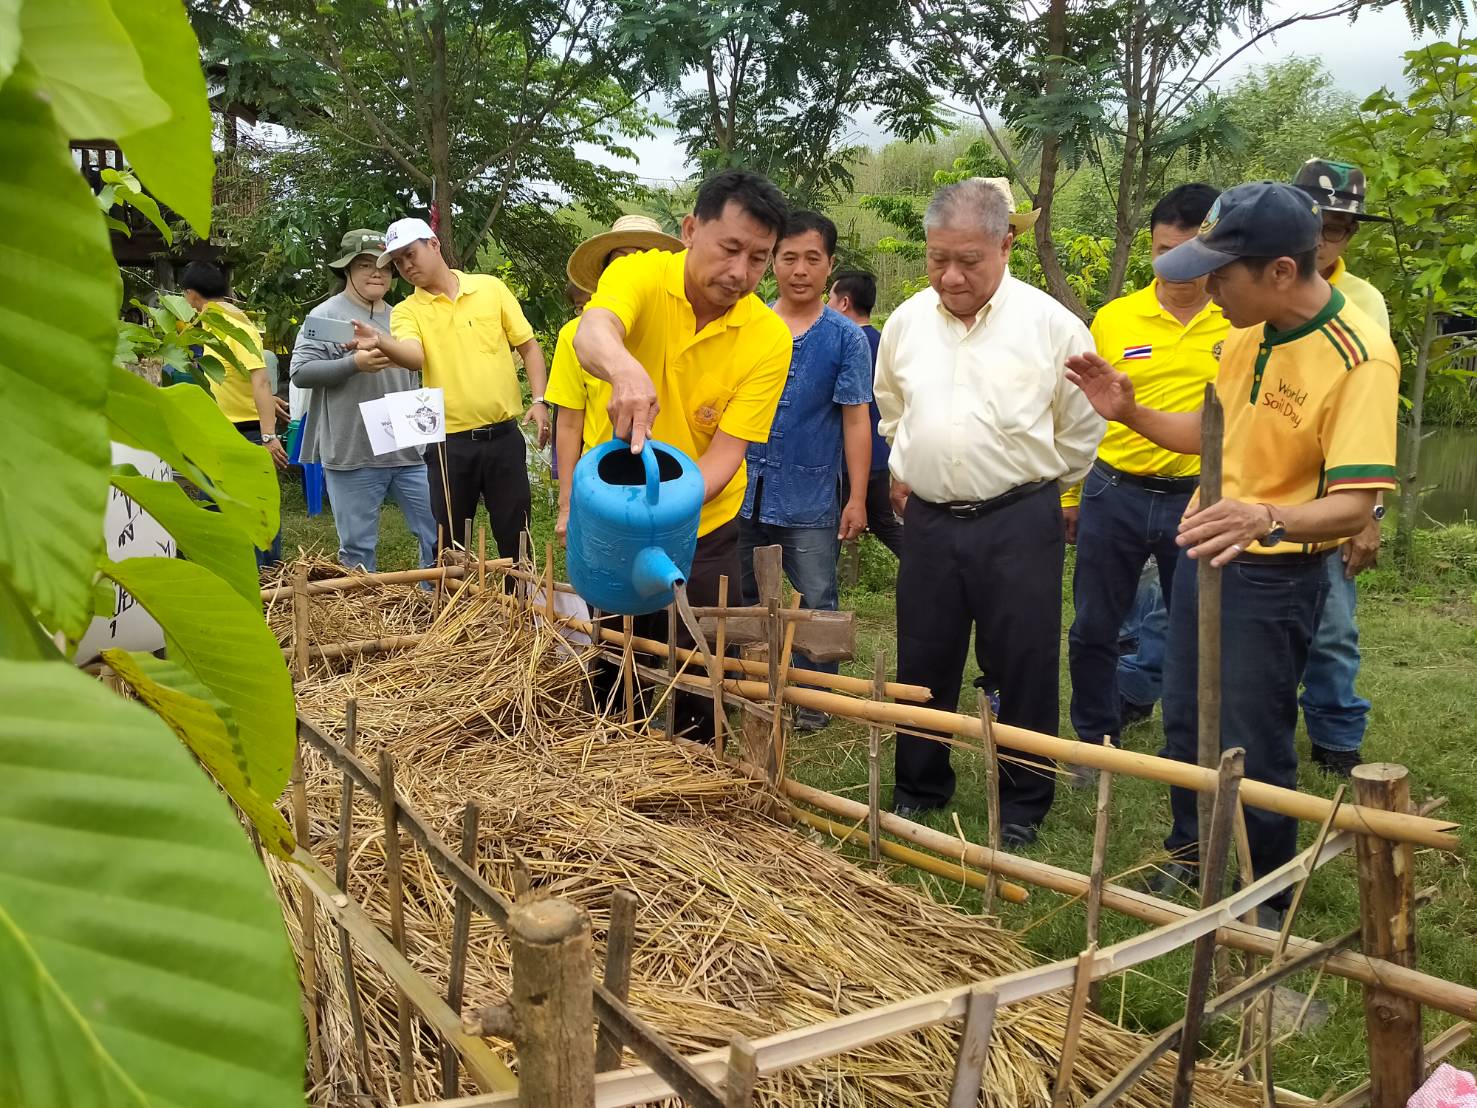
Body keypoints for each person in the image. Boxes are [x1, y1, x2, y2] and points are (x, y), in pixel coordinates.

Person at [1066, 182, 1399, 924]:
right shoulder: (1244, 334)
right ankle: (1193, 858)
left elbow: (1353, 503)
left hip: (1275, 569)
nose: (1206, 287)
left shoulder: (1358, 358)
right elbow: (1214, 434)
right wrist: (1130, 412)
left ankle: (1262, 892)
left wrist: (1266, 517)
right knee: (1186, 716)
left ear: (1279, 271)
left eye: (1222, 273)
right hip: (1207, 548)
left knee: (1251, 736)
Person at [874, 177, 1104, 843]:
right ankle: (918, 786)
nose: (949, 276)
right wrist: (917, 463)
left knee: (1024, 660)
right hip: (929, 522)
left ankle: (1025, 802)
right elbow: (891, 407)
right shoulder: (906, 322)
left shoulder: (1053, 327)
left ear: (1006, 245)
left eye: (967, 261)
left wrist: (1031, 487)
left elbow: (1082, 427)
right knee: (923, 656)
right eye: (936, 258)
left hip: (1018, 519)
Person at [574, 170, 792, 739]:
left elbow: (728, 453)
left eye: (759, 258)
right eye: (730, 248)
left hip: (706, 520)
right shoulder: (639, 273)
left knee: (704, 658)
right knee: (618, 650)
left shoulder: (769, 337)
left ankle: (700, 769)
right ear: (691, 229)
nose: (741, 273)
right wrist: (623, 368)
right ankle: (611, 754)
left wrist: (667, 513)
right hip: (617, 507)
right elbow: (592, 330)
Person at [1063, 184, 1227, 776]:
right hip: (1116, 488)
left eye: (1189, 252)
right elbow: (1084, 411)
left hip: (1196, 496)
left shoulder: (1236, 322)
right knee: (1094, 626)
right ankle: (1093, 742)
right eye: (1163, 251)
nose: (1176, 267)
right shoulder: (1115, 318)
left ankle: (1184, 751)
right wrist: (1073, 492)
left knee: (1195, 628)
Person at [738, 212, 873, 730]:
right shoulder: (747, 323)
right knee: (744, 594)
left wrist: (856, 497)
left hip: (811, 490)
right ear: (772, 260)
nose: (799, 269)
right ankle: (749, 684)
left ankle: (816, 702)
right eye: (788, 257)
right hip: (741, 486)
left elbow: (856, 420)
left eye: (811, 259)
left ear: (829, 266)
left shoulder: (845, 339)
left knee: (816, 596)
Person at [350, 217, 550, 559]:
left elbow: (528, 345)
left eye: (410, 254)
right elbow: (414, 356)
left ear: (434, 244)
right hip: (448, 446)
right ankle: (453, 610)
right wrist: (381, 341)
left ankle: (517, 609)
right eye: (398, 262)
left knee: (515, 536)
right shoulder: (407, 311)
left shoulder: (490, 288)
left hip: (504, 437)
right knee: (450, 543)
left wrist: (541, 399)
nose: (406, 266)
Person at [1290, 157, 1394, 775]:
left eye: (1344, 227)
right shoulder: (1255, 290)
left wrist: (1368, 512)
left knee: (1332, 627)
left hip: (1335, 492)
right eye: (1322, 221)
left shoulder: (1364, 302)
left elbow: (1372, 419)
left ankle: (1335, 736)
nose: (1330, 236)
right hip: (1266, 492)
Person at [291, 229, 439, 572]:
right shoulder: (325, 316)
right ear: (346, 270)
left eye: (385, 266)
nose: (377, 272)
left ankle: (434, 603)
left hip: (409, 447)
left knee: (437, 534)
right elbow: (300, 372)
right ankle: (363, 619)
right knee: (357, 547)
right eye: (364, 264)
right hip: (351, 449)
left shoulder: (406, 314)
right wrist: (352, 364)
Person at [547, 215, 684, 542]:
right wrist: (566, 505)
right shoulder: (573, 335)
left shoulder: (684, 330)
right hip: (604, 480)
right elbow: (568, 424)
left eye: (644, 258)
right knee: (607, 584)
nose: (632, 269)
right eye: (621, 260)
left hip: (673, 480)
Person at [180, 260, 288, 568]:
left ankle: (268, 583)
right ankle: (230, 575)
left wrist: (269, 436)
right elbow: (234, 377)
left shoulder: (233, 324)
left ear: (190, 295)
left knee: (257, 512)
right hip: (220, 431)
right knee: (218, 507)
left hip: (247, 433)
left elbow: (260, 376)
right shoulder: (208, 323)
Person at [828, 269, 904, 558]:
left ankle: (819, 593)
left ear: (844, 303)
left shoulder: (843, 345)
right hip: (881, 455)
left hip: (848, 459)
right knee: (884, 522)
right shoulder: (885, 344)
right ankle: (928, 567)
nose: (827, 306)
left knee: (832, 527)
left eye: (830, 299)